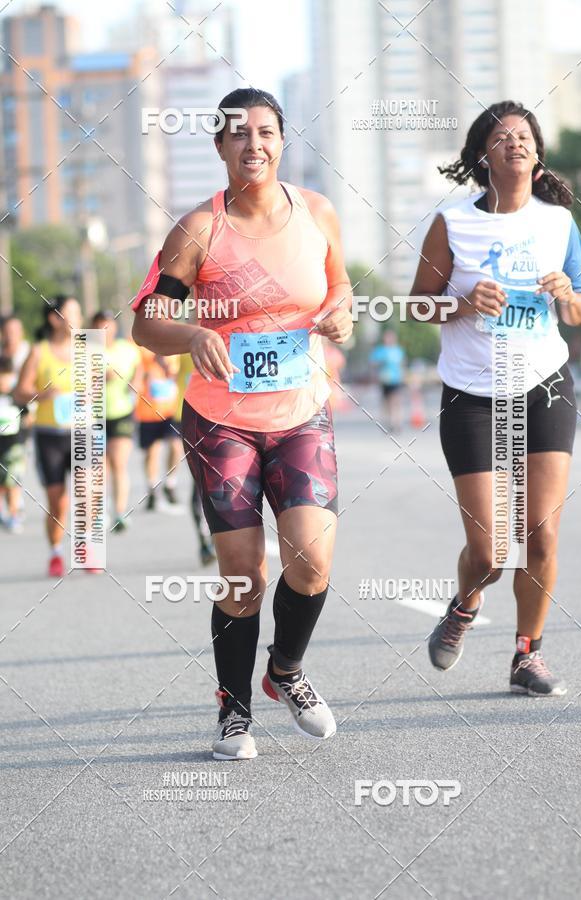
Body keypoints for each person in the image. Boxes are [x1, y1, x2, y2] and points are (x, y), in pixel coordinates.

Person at [131, 87, 353, 760]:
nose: (252, 143)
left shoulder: (316, 212)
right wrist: (192, 332)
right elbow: (146, 323)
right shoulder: (198, 231)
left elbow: (338, 285)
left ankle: (285, 671)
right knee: (243, 575)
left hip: (299, 411)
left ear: (282, 139)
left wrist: (343, 314)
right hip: (220, 420)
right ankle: (234, 710)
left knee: (311, 561)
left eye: (265, 131)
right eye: (237, 134)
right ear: (220, 146)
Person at [410, 100, 581, 696]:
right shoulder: (452, 221)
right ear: (481, 156)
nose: (514, 142)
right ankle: (464, 605)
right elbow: (417, 305)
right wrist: (462, 304)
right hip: (472, 393)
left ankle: (527, 655)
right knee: (491, 549)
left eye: (524, 136)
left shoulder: (558, 224)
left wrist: (568, 292)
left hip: (543, 383)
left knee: (539, 534)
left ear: (537, 156)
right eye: (501, 136)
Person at [15, 296, 84, 576]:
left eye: (79, 313)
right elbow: (20, 391)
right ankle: (56, 552)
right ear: (55, 319)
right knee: (58, 501)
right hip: (49, 435)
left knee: (87, 493)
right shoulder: (39, 351)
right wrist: (45, 394)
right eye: (72, 313)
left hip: (83, 432)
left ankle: (86, 546)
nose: (78, 318)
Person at [91, 310, 142, 532]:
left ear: (114, 326)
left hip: (122, 411)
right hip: (94, 415)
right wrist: (100, 378)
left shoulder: (127, 349)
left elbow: (139, 370)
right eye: (100, 325)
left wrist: (135, 385)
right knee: (100, 467)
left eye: (108, 325)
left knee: (119, 463)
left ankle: (120, 512)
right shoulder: (86, 351)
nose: (105, 329)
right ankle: (99, 511)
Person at [174, 351, 216, 565]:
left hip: (227, 417)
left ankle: (223, 536)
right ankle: (205, 541)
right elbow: (164, 368)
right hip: (193, 415)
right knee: (200, 483)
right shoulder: (185, 342)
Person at [135, 347, 181, 510]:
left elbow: (180, 377)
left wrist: (168, 368)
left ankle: (170, 483)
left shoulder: (175, 353)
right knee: (152, 452)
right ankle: (152, 487)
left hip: (170, 412)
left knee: (176, 447)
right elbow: (136, 378)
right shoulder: (143, 353)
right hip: (148, 413)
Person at [0, 355, 25, 532]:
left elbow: (28, 415)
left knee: (13, 481)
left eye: (6, 376)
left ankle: (14, 515)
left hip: (14, 445)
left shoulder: (16, 395)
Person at [369, 329, 405, 432]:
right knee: (386, 403)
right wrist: (380, 363)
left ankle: (396, 423)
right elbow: (372, 363)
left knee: (395, 401)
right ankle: (389, 422)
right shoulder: (380, 351)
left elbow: (401, 364)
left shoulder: (398, 350)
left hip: (395, 379)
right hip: (384, 380)